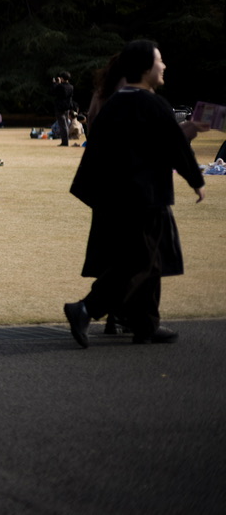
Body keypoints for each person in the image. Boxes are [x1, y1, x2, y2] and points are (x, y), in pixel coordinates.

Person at [64, 40, 206, 348]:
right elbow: (175, 146)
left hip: (116, 197)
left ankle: (145, 323)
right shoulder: (154, 105)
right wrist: (196, 180)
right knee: (140, 260)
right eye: (159, 61)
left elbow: (97, 151)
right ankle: (86, 309)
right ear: (145, 68)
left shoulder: (115, 103)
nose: (164, 66)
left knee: (150, 260)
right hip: (145, 197)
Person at [51, 72, 75, 147]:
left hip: (60, 107)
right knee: (66, 124)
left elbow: (53, 92)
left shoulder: (60, 86)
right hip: (67, 107)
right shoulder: (71, 87)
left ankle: (65, 142)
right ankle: (66, 140)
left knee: (62, 124)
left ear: (62, 78)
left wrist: (55, 83)